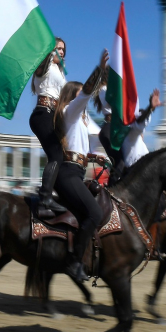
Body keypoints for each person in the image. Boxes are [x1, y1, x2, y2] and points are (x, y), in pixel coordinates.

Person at [53, 51, 112, 283]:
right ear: (72, 97)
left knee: (91, 213)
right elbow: (86, 93)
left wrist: (96, 159)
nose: (84, 100)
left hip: (75, 171)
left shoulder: (79, 120)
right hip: (68, 174)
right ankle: (74, 263)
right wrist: (99, 71)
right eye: (80, 96)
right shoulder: (70, 111)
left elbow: (82, 147)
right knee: (95, 213)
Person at [29, 38, 68, 213]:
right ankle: (44, 200)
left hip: (52, 115)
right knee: (56, 156)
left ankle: (57, 195)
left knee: (61, 157)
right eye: (58, 48)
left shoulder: (60, 72)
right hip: (43, 113)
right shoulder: (44, 66)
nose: (61, 52)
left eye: (63, 50)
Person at [121, 89, 163, 169]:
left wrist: (150, 109)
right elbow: (140, 122)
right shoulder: (131, 135)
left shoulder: (134, 137)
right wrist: (150, 108)